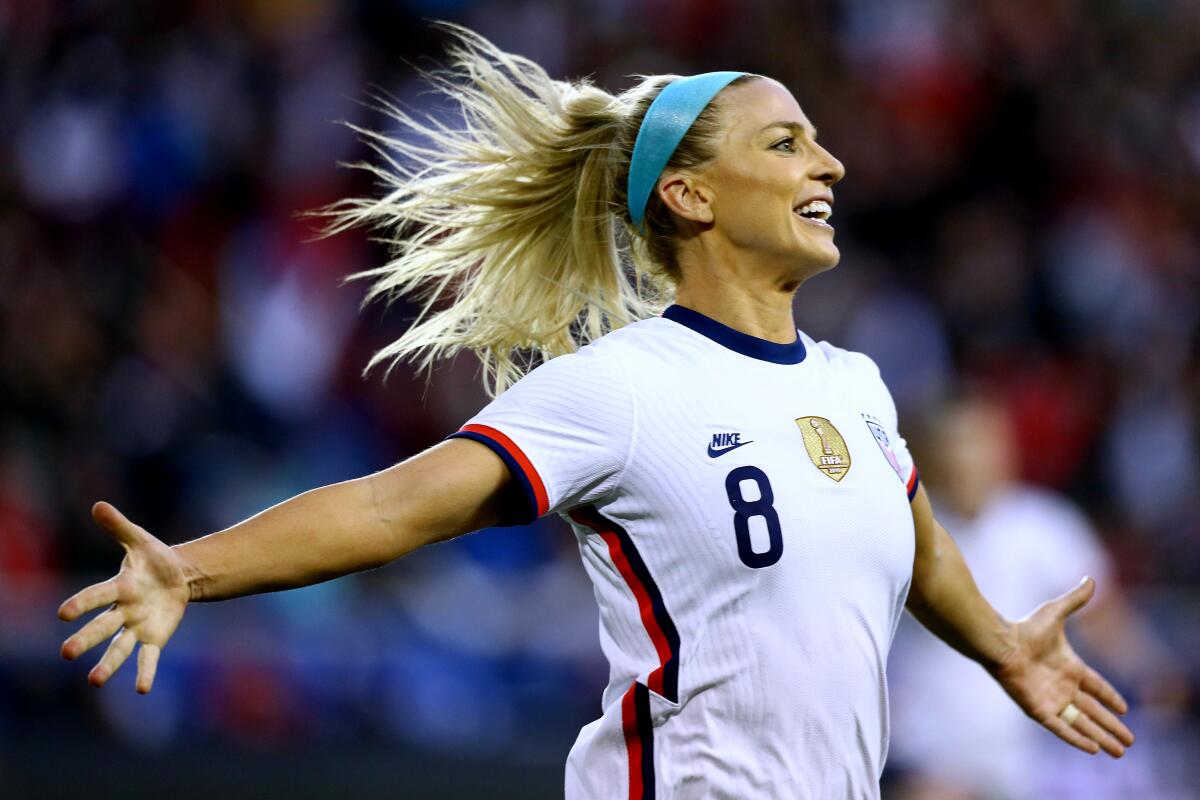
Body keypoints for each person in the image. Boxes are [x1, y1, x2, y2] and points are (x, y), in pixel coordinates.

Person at [58, 26, 1133, 800]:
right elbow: (396, 505)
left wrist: (1002, 644)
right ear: (691, 195)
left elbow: (916, 540)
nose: (831, 160)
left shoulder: (853, 381)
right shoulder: (621, 386)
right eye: (785, 141)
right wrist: (187, 569)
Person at [887, 395, 1183, 800]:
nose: (971, 463)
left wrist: (1152, 672)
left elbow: (1102, 618)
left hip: (1017, 751)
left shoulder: (1044, 526)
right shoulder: (904, 528)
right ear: (932, 456)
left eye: (982, 446)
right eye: (958, 450)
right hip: (924, 747)